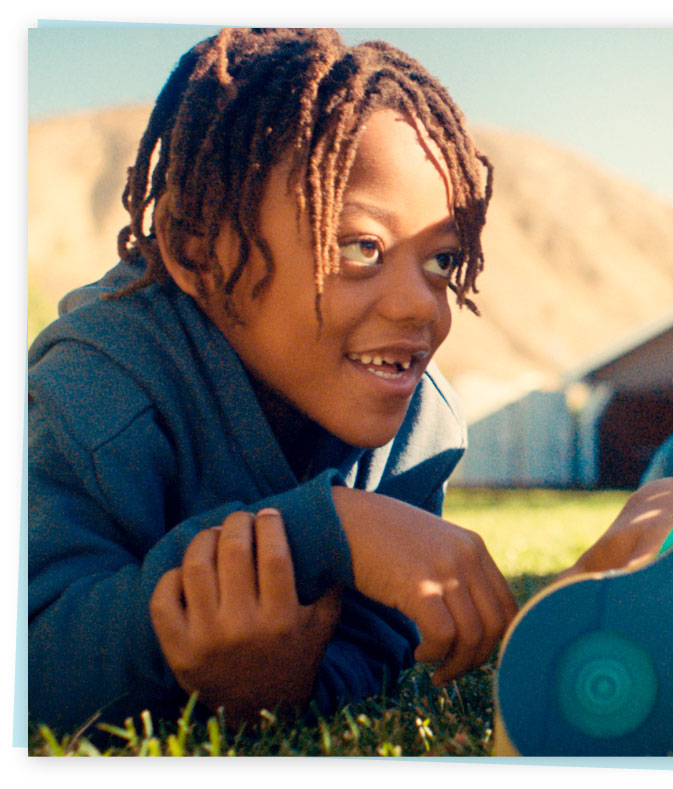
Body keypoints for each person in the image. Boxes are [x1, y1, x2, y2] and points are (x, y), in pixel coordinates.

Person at [27, 28, 522, 732]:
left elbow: (379, 644)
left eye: (442, 260)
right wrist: (324, 532)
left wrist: (283, 690)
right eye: (361, 248)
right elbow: (32, 667)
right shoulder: (99, 390)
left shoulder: (418, 421)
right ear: (200, 254)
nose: (420, 303)